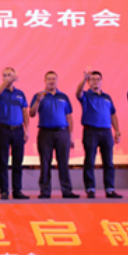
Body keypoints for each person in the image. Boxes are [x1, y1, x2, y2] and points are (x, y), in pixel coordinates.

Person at [29, 71, 80, 199]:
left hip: (62, 133)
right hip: (45, 133)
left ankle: (67, 191)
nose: (51, 81)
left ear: (57, 81)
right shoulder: (39, 96)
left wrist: (71, 135)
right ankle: (45, 191)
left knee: (63, 162)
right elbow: (32, 113)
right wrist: (37, 102)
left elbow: (69, 117)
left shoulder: (64, 97)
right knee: (45, 163)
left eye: (53, 79)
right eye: (49, 79)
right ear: (45, 81)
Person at [76, 70, 123, 199]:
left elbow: (113, 114)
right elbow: (78, 92)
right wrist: (83, 79)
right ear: (89, 82)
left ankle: (110, 189)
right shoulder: (86, 95)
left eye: (98, 79)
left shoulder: (107, 97)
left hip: (106, 132)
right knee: (90, 161)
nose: (95, 81)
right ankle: (90, 189)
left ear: (101, 81)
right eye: (92, 79)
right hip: (90, 131)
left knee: (108, 162)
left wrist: (117, 131)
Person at [0, 67, 30, 200]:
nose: (8, 77)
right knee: (3, 161)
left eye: (10, 75)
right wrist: (6, 83)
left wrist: (27, 129)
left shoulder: (20, 93)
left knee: (17, 161)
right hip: (3, 129)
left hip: (18, 130)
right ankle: (4, 191)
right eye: (5, 75)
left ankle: (17, 191)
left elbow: (25, 112)